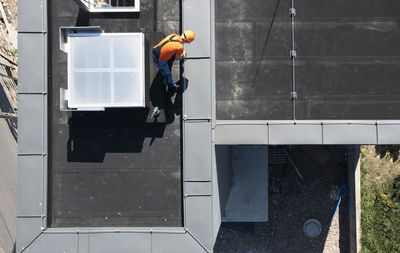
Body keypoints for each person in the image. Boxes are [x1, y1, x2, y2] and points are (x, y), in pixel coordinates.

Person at [151, 31, 195, 119]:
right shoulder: (179, 47)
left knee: (168, 59)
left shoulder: (173, 35)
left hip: (155, 50)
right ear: (187, 41)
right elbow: (178, 58)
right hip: (159, 59)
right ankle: (171, 85)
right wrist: (183, 55)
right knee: (167, 74)